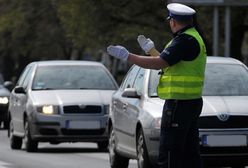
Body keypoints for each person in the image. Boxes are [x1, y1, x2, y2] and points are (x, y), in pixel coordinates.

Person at [107, 2, 207, 168]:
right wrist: (152, 51)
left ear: (173, 21)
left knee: (169, 152)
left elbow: (159, 64)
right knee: (190, 153)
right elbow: (170, 64)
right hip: (191, 101)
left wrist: (127, 56)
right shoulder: (194, 36)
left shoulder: (184, 40)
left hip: (178, 104)